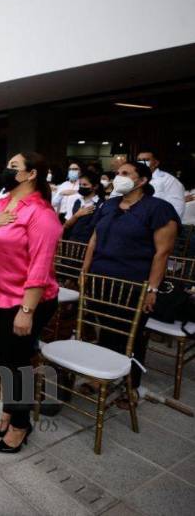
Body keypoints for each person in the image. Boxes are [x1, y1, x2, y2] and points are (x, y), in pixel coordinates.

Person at [0, 152, 62, 453]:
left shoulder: (41, 214)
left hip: (26, 301)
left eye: (13, 167)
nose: (6, 171)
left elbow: (40, 268)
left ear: (31, 174)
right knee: (6, 359)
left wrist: (26, 311)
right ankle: (9, 413)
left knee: (18, 363)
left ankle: (21, 425)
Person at [83, 161, 180, 398]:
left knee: (131, 334)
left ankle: (131, 386)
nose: (118, 177)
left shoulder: (158, 208)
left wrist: (152, 289)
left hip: (134, 283)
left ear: (142, 180)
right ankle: (100, 377)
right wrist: (84, 273)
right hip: (101, 279)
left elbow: (162, 252)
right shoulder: (109, 204)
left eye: (125, 173)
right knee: (105, 330)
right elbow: (94, 240)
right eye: (117, 173)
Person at [137, 149, 186, 218]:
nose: (142, 162)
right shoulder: (132, 178)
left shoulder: (169, 180)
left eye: (146, 160)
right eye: (139, 160)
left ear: (156, 163)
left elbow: (177, 208)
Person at [62, 171, 104, 243]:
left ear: (95, 186)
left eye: (85, 185)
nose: (81, 187)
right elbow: (67, 225)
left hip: (87, 243)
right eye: (80, 184)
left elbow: (94, 228)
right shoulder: (77, 201)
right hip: (72, 241)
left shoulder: (100, 204)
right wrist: (77, 215)